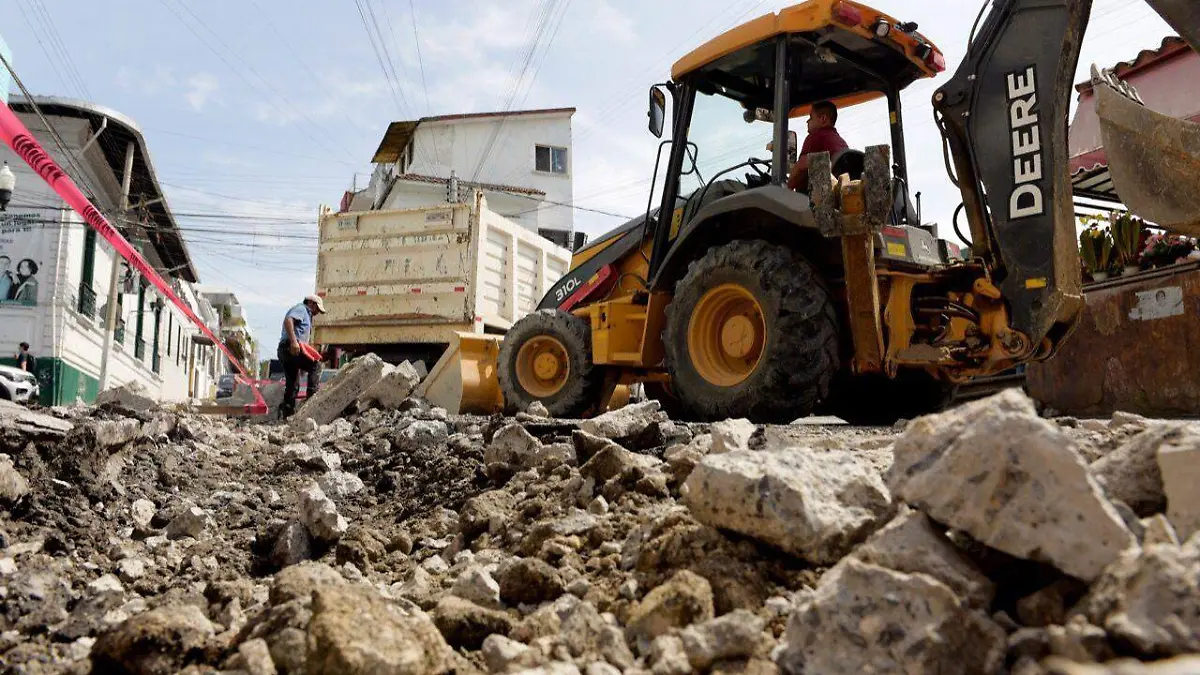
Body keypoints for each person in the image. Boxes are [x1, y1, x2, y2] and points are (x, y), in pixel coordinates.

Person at [277, 294, 326, 419]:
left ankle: (287, 415)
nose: (317, 313)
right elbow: (288, 320)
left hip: (285, 350)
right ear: (311, 303)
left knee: (293, 384)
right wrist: (294, 342)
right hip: (290, 348)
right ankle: (311, 402)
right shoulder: (302, 309)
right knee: (316, 365)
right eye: (317, 309)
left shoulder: (306, 315)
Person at [786, 100, 849, 194]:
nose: (807, 121)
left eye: (811, 117)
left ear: (823, 119)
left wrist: (785, 190)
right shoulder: (841, 142)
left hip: (814, 201)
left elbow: (801, 166)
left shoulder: (815, 136)